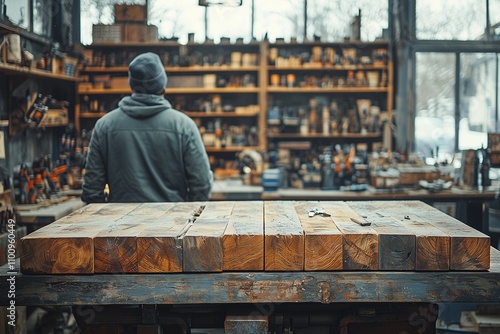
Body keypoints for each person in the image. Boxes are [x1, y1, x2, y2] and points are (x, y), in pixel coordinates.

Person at [82, 52, 213, 203]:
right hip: (173, 223)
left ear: (131, 86)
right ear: (163, 86)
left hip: (121, 224)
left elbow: (92, 191)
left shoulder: (104, 126)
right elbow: (202, 185)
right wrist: (185, 214)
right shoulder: (184, 126)